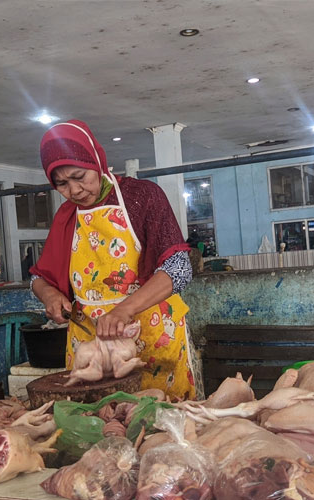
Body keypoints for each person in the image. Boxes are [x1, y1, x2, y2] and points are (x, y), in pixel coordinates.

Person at [29, 119, 202, 400]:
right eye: (61, 183)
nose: (73, 191)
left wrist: (124, 310)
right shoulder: (66, 217)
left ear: (96, 162)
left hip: (151, 335)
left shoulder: (143, 197)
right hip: (89, 344)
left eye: (79, 176)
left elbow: (179, 268)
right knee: (97, 424)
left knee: (161, 423)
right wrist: (48, 295)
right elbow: (38, 278)